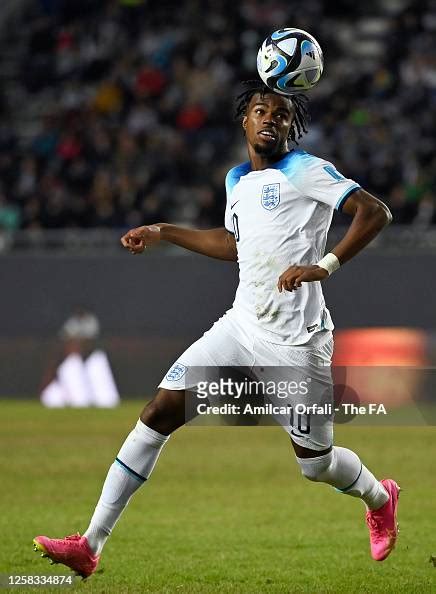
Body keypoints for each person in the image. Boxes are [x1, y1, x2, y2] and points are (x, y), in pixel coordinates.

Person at [33, 83, 399, 578]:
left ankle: (379, 498)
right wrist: (163, 231)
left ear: (292, 126)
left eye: (281, 114)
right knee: (158, 412)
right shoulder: (236, 180)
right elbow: (234, 243)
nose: (270, 118)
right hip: (239, 326)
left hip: (297, 342)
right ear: (244, 120)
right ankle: (89, 545)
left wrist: (325, 265)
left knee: (315, 464)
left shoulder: (307, 170)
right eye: (260, 109)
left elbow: (375, 212)